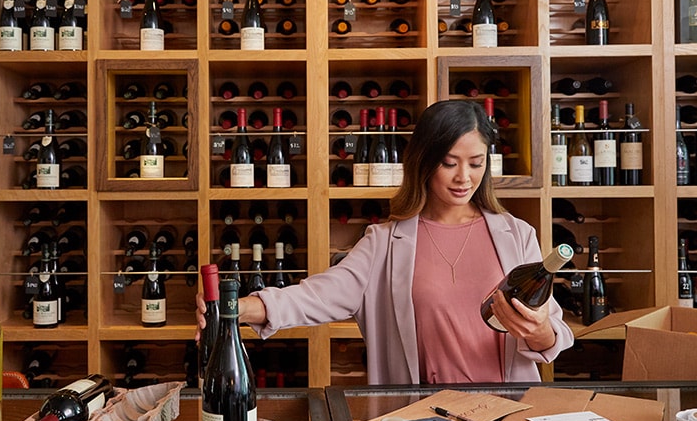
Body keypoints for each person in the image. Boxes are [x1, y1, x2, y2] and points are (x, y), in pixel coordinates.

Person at [198, 100, 573, 384]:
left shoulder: (517, 235)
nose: (464, 177)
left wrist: (538, 330)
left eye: (476, 163)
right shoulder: (385, 243)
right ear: (423, 163)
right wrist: (235, 307)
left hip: (507, 415)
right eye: (449, 163)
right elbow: (315, 297)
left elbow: (553, 335)